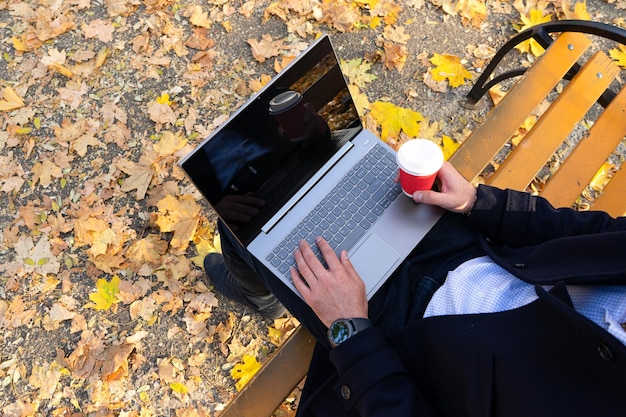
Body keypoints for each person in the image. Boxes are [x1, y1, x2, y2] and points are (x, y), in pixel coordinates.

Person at [203, 161, 626, 416]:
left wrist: (350, 330)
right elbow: (598, 233)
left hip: (410, 341)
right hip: (483, 253)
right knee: (329, 166)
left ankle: (263, 296)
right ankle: (272, 291)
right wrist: (479, 202)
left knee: (247, 222)